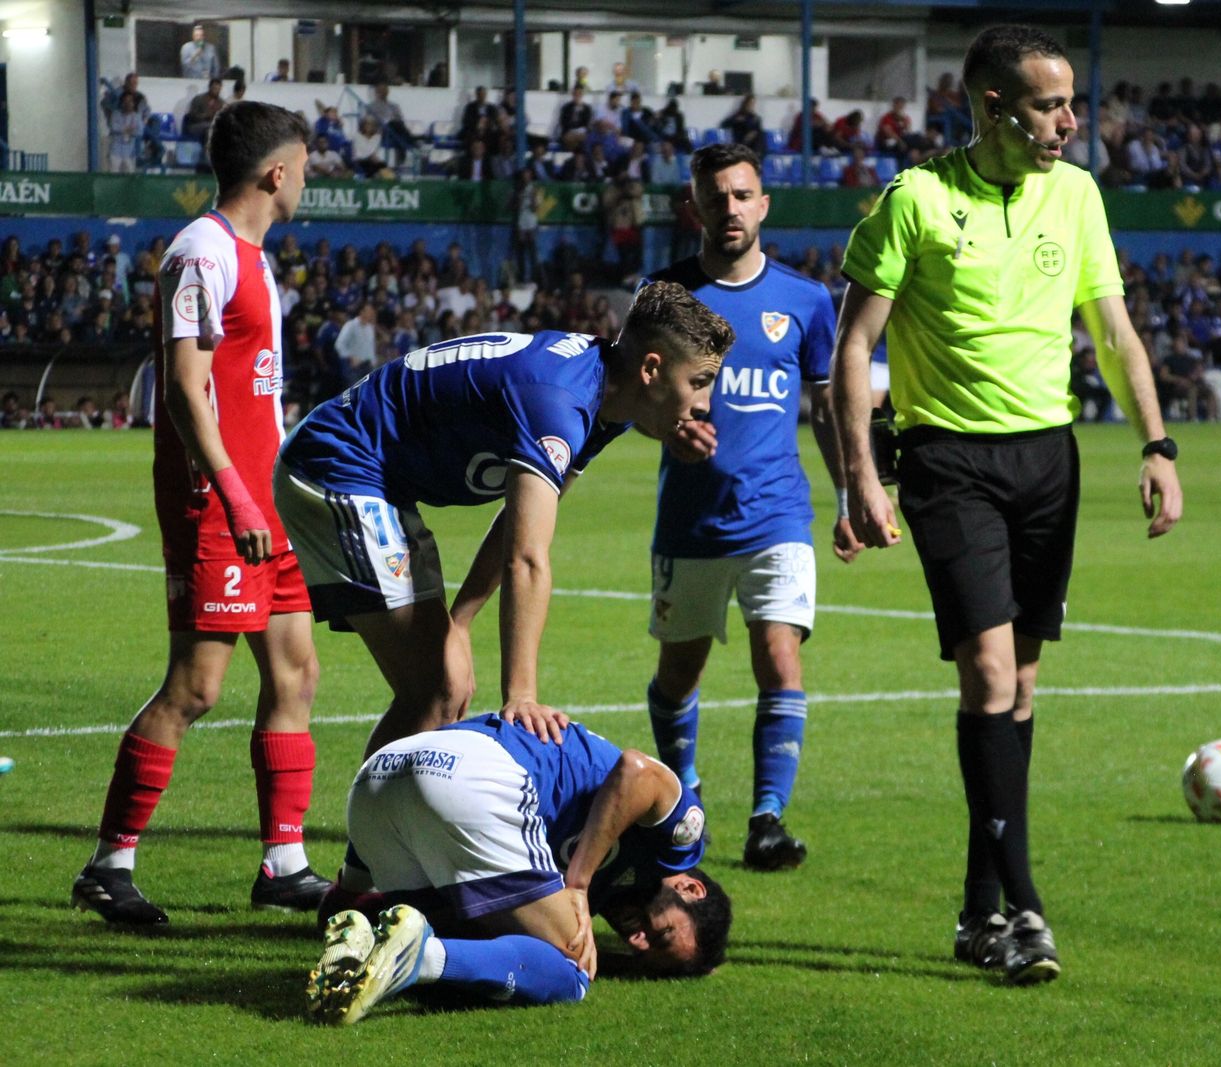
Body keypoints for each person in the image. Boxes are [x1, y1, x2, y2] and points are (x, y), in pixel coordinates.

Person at [831, 25, 1182, 986]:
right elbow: (852, 348)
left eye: (1071, 103)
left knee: (1020, 688)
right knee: (988, 676)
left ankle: (979, 910)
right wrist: (860, 476)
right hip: (948, 461)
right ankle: (1026, 908)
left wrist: (1156, 444)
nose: (1069, 122)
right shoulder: (915, 199)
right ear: (992, 107)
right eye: (1048, 105)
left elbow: (1113, 328)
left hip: (1047, 462)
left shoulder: (1077, 194)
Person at [274, 286, 735, 917]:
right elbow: (528, 556)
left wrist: (462, 617)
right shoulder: (560, 398)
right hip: (339, 464)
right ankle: (358, 887)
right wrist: (521, 692)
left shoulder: (602, 398)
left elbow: (518, 523)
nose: (704, 403)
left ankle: (362, 883)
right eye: (700, 381)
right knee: (439, 685)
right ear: (652, 369)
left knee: (444, 683)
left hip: (378, 478)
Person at [71, 101, 329, 926]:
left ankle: (283, 862)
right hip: (219, 503)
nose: (308, 180)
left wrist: (279, 484)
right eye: (305, 166)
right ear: (277, 172)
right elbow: (185, 388)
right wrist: (237, 491)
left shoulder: (251, 257)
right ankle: (109, 865)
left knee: (297, 673)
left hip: (267, 501)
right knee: (197, 684)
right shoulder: (202, 253)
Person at [639, 143, 853, 872]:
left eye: (742, 195)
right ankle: (686, 798)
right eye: (715, 196)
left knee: (779, 654)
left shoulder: (805, 300)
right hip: (691, 521)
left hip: (777, 513)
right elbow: (630, 398)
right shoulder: (663, 297)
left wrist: (849, 494)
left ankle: (768, 817)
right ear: (693, 207)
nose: (729, 208)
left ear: (763, 204)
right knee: (679, 676)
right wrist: (670, 425)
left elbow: (823, 407)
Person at [303, 714, 730, 1024]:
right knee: (572, 971)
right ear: (691, 889)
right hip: (471, 777)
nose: (637, 940)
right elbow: (637, 772)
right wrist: (578, 885)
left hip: (379, 777)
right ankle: (419, 958)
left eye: (644, 952)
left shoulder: (616, 888)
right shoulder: (678, 844)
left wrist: (347, 892)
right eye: (661, 934)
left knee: (461, 977)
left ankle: (363, 942)